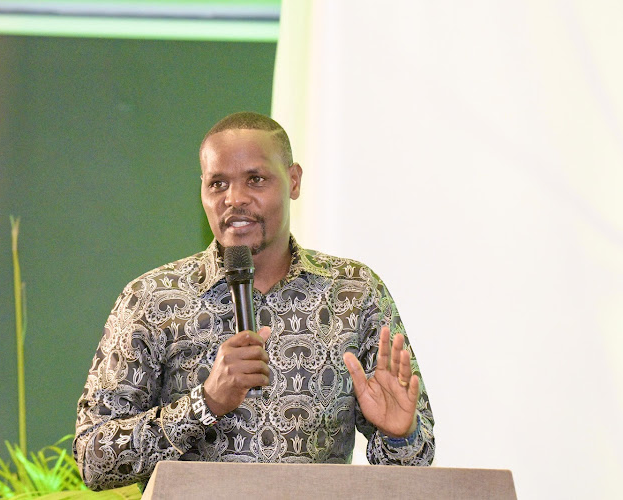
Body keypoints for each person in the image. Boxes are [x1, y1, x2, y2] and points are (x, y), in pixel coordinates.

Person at [73, 112, 435, 490]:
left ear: (293, 181)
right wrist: (204, 404)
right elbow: (94, 460)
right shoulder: (152, 299)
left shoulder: (355, 292)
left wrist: (399, 436)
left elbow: (416, 461)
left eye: (256, 179)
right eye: (218, 184)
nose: (235, 198)